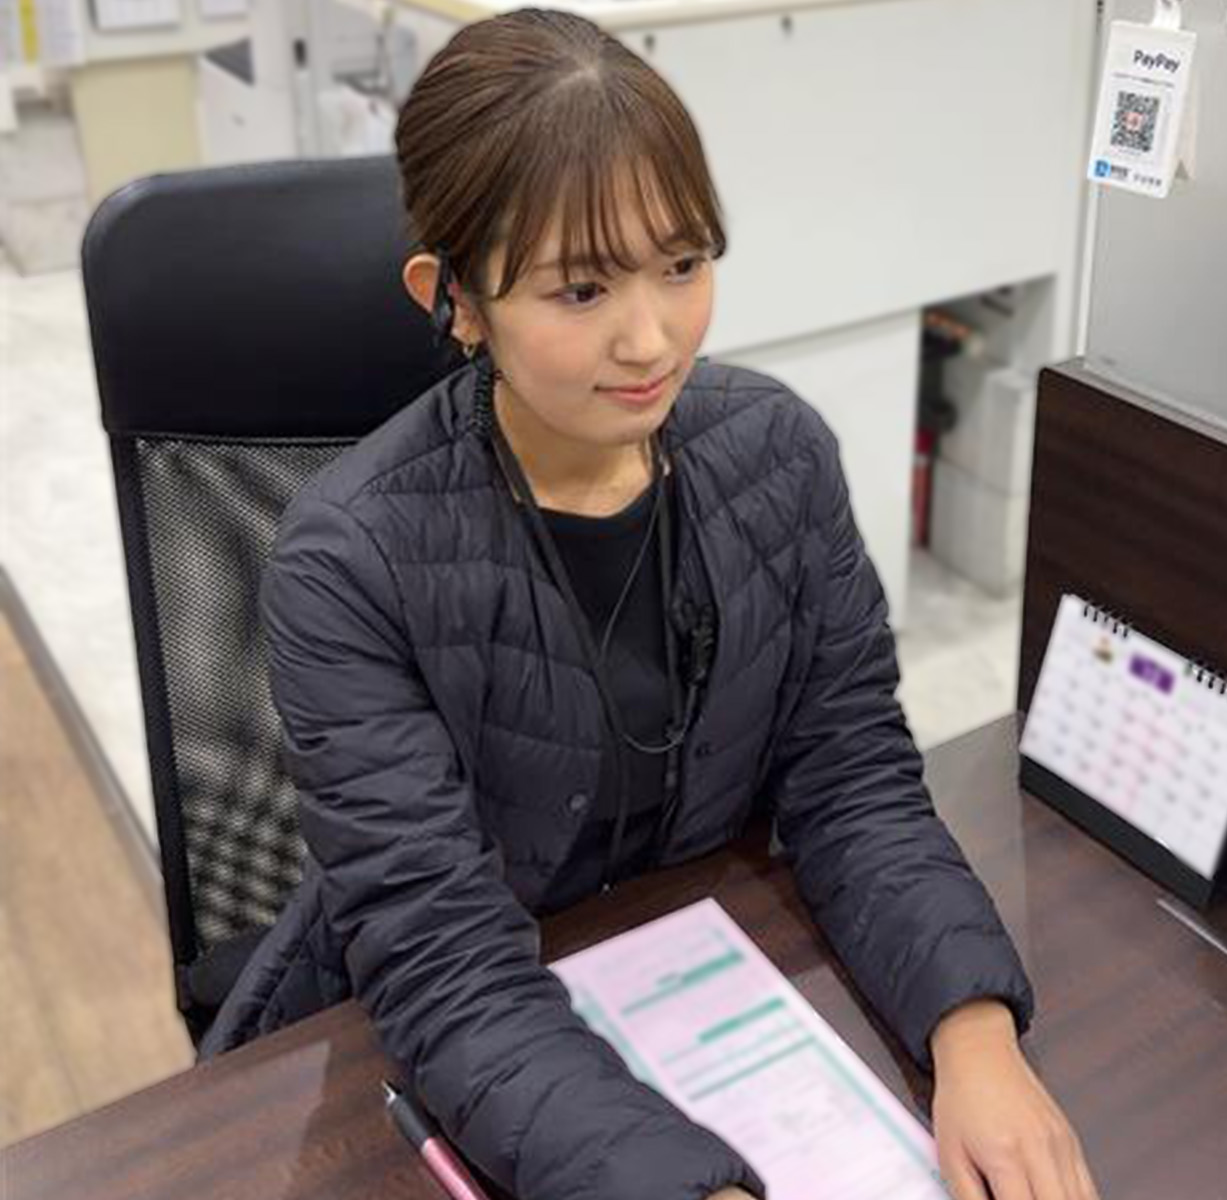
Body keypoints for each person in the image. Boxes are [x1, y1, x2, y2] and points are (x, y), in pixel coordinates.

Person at [204, 9, 1098, 1200]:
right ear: (455, 299)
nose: (650, 339)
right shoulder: (348, 563)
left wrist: (972, 1033)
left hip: (712, 977)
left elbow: (850, 778)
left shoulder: (776, 453)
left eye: (681, 265)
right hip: (453, 1052)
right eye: (580, 289)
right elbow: (443, 961)